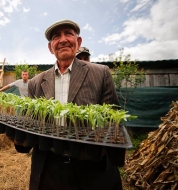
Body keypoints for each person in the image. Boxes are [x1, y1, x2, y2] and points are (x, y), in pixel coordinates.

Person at [15, 20, 122, 190]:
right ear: (51, 47)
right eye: (56, 37)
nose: (63, 39)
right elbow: (30, 126)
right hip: (49, 167)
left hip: (90, 168)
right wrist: (19, 137)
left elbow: (113, 121)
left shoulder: (100, 73)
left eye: (68, 33)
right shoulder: (36, 82)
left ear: (78, 43)